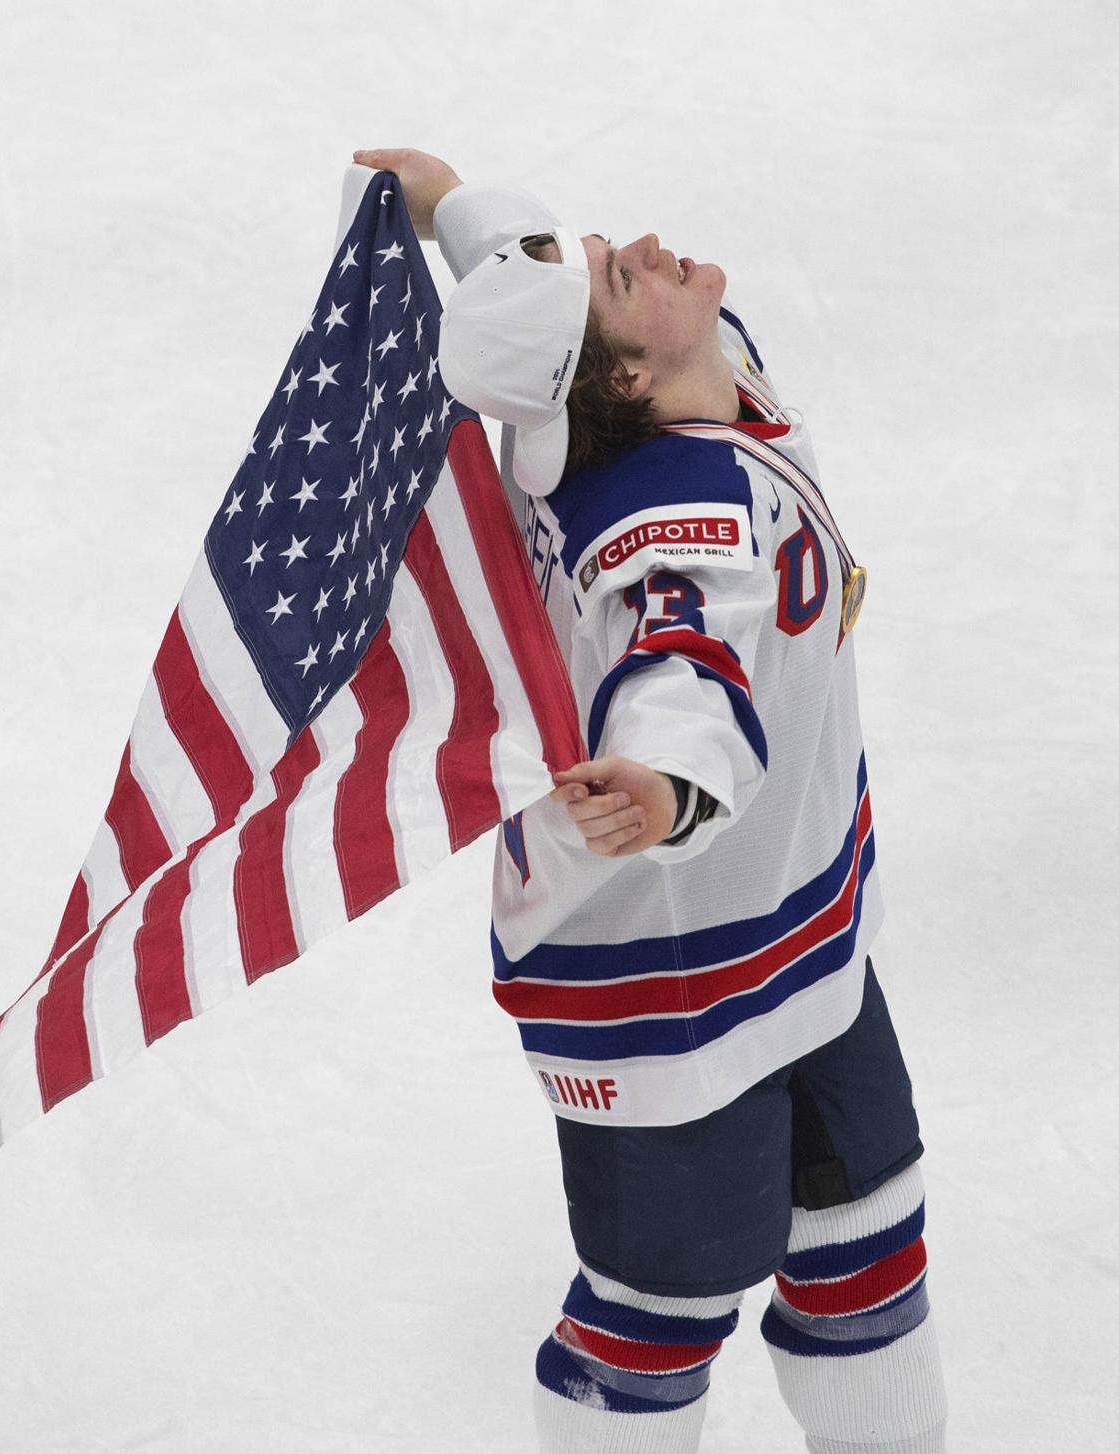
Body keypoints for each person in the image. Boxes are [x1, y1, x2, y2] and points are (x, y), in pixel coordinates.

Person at [352, 148, 949, 1454]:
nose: (651, 246)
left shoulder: (645, 373)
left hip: (797, 931)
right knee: (663, 1302)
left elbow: (530, 285)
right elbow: (683, 667)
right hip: (661, 984)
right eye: (628, 274)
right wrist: (666, 783)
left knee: (866, 1229)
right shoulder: (672, 521)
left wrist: (452, 201)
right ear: (622, 376)